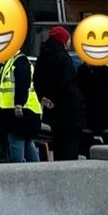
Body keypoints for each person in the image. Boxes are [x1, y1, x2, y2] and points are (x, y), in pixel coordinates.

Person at [34, 24, 86, 162]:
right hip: (68, 108)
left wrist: (45, 97)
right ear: (63, 40)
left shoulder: (42, 56)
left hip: (52, 109)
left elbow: (37, 79)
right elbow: (66, 81)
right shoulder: (63, 58)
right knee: (69, 146)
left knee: (58, 142)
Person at [0, 41, 43, 162]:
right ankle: (36, 167)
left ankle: (17, 168)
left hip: (22, 109)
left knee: (16, 140)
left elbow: (22, 84)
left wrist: (19, 104)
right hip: (20, 108)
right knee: (26, 141)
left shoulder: (19, 61)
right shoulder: (10, 61)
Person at [75, 51, 108, 147]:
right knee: (87, 141)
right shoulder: (82, 71)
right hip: (89, 113)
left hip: (101, 113)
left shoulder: (104, 71)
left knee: (105, 140)